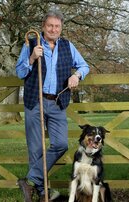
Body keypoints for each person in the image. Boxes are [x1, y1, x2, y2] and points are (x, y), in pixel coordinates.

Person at [16, 9, 89, 202]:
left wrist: (76, 75)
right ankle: (41, 193)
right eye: (50, 26)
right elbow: (20, 72)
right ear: (43, 27)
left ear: (61, 28)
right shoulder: (31, 43)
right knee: (36, 149)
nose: (53, 29)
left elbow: (84, 66)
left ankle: (30, 179)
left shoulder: (67, 46)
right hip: (35, 101)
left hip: (57, 102)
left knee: (60, 144)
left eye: (57, 26)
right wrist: (31, 58)